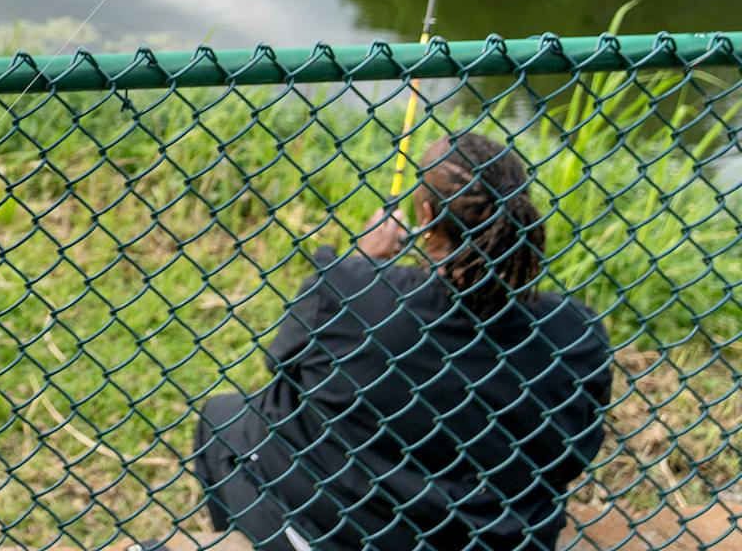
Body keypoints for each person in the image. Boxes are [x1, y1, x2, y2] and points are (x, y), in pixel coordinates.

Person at [190, 134, 613, 551]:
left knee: (223, 417)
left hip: (342, 532)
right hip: (502, 540)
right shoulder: (578, 334)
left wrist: (363, 263)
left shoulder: (348, 289)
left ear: (426, 217)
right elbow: (576, 452)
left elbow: (283, 364)